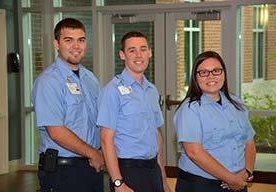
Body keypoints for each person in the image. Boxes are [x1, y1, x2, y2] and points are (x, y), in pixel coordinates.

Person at [31, 18, 104, 192]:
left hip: (92, 168)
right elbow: (56, 131)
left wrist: (102, 152)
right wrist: (93, 153)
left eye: (81, 40)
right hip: (62, 172)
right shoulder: (48, 81)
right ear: (56, 44)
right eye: (68, 40)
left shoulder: (90, 79)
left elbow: (98, 123)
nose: (76, 46)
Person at [96, 31, 171, 192]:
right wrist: (118, 183)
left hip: (153, 171)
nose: (139, 55)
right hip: (128, 173)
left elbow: (156, 134)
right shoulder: (112, 91)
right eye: (132, 50)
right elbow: (105, 140)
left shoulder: (151, 90)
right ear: (122, 55)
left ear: (150, 53)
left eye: (143, 49)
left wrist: (163, 178)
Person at [173, 50, 256, 192]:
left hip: (238, 183)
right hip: (201, 186)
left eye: (216, 71)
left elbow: (249, 142)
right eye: (204, 72)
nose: (211, 76)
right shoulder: (190, 109)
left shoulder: (236, 103)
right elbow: (194, 152)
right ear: (195, 77)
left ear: (223, 73)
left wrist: (247, 172)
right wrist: (231, 179)